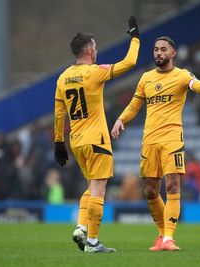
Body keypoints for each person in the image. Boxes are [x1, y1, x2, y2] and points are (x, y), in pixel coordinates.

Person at [111, 36, 200, 251]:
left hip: (172, 138)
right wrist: (120, 119)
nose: (158, 53)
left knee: (173, 185)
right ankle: (161, 235)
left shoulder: (182, 75)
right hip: (149, 140)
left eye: (163, 49)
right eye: (156, 49)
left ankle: (169, 237)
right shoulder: (146, 78)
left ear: (173, 53)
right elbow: (135, 104)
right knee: (149, 191)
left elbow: (197, 86)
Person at [53, 16, 140, 253]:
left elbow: (59, 113)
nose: (97, 50)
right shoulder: (94, 72)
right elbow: (129, 63)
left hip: (77, 142)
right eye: (96, 46)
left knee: (91, 188)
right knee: (99, 189)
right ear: (90, 50)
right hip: (97, 140)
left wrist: (59, 143)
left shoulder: (63, 78)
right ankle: (92, 242)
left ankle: (81, 228)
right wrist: (135, 37)